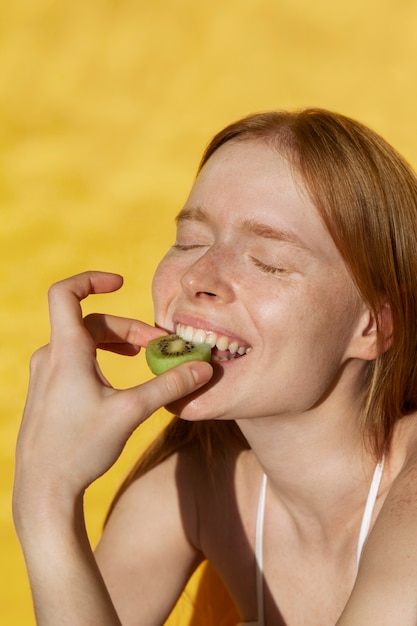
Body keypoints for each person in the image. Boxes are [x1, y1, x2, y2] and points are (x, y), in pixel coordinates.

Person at [13, 107, 417, 626]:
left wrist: (43, 504)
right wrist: (47, 493)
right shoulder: (198, 489)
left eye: (268, 260)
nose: (199, 276)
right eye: (190, 242)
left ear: (374, 326)